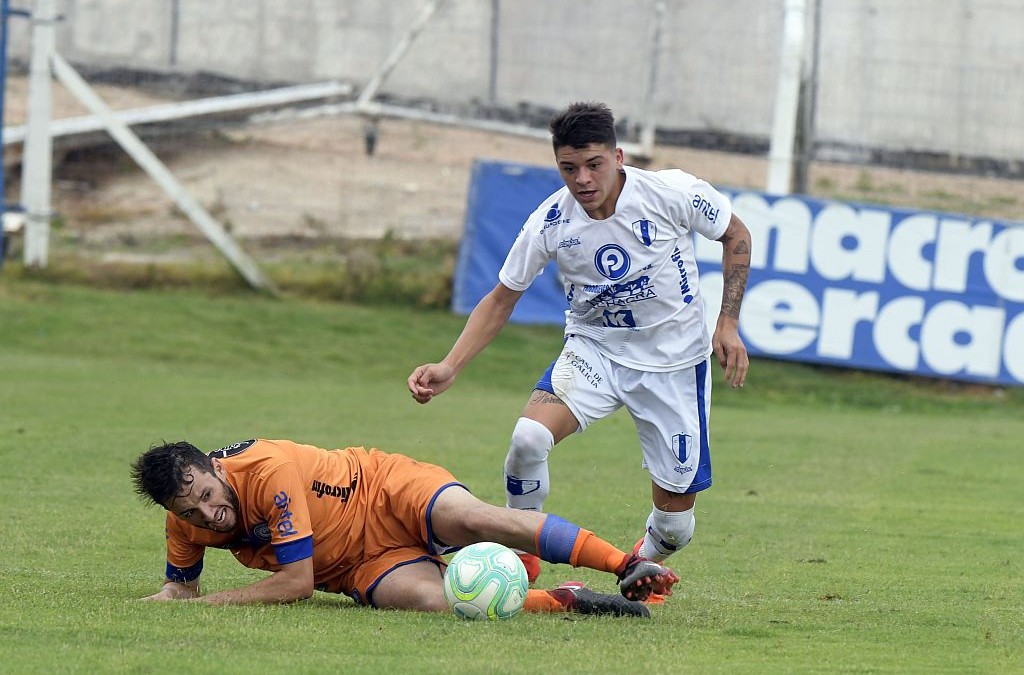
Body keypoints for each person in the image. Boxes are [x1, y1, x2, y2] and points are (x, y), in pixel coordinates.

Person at [407, 101, 751, 589]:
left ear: (618, 156)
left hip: (674, 365)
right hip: (595, 351)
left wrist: (728, 321)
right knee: (528, 439)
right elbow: (502, 298)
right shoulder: (551, 221)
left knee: (676, 527)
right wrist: (450, 366)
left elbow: (736, 234)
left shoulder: (670, 192)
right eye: (569, 168)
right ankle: (520, 552)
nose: (582, 179)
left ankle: (644, 560)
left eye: (594, 164)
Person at [130, 438, 679, 617]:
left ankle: (627, 563)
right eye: (191, 513)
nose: (209, 516)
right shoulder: (184, 523)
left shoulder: (266, 470)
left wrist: (208, 605)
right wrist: (170, 594)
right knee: (438, 601)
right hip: (357, 567)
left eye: (207, 496)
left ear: (215, 469)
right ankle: (566, 599)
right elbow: (179, 585)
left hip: (383, 489)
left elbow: (296, 584)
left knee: (475, 517)